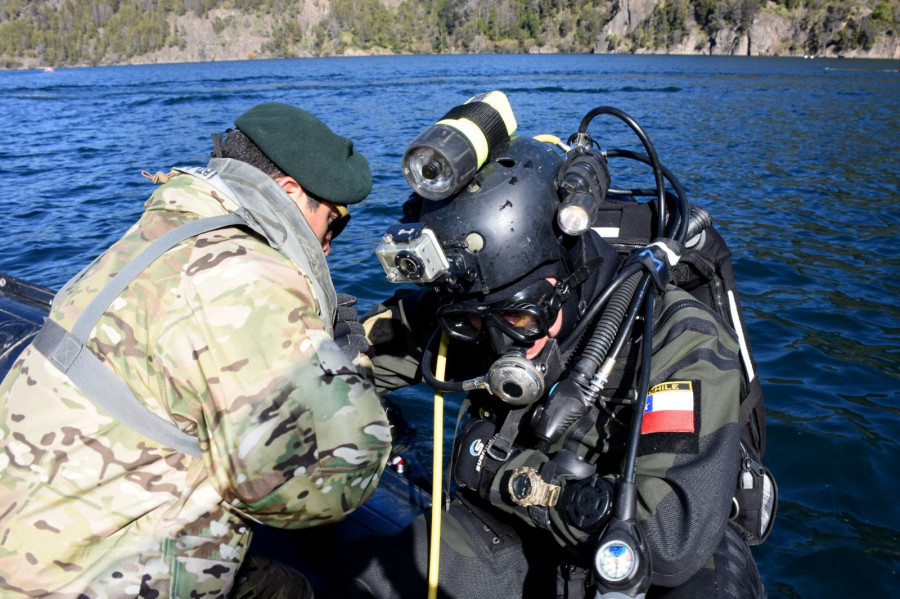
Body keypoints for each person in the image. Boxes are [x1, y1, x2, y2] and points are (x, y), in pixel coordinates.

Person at [340, 94, 773, 598]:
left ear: (572, 274)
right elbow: (369, 346)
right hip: (506, 535)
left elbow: (667, 534)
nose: (505, 345)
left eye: (522, 317)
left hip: (627, 557)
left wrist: (503, 473)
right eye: (477, 324)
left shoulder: (677, 336)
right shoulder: (479, 310)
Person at [0, 102, 391, 597]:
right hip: (80, 576)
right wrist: (350, 372)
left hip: (29, 536)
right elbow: (321, 489)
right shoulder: (242, 273)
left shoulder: (162, 230)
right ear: (290, 193)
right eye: (332, 223)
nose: (329, 245)